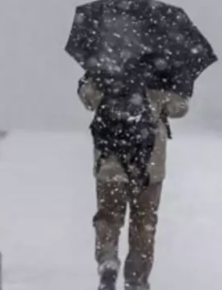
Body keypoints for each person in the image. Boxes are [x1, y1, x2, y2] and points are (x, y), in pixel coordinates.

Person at [78, 62, 190, 290]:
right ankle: (136, 279)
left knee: (108, 217)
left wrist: (87, 81)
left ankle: (107, 260)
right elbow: (180, 108)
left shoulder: (105, 65)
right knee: (144, 223)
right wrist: (176, 87)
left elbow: (88, 99)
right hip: (149, 167)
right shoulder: (160, 69)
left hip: (110, 164)